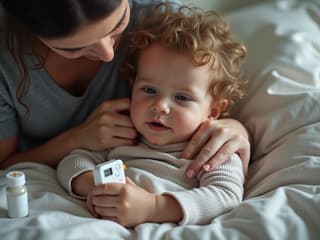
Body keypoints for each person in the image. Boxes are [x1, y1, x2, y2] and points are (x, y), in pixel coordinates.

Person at [0, 0, 250, 179]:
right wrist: (75, 140)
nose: (108, 54)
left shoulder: (162, 26)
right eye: (73, 49)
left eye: (118, 24)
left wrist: (236, 127)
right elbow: (5, 166)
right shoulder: (5, 65)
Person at [57, 3, 247, 227]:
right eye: (149, 90)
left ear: (213, 111)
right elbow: (73, 161)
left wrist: (154, 207)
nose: (160, 106)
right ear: (132, 85)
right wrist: (96, 186)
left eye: (182, 98)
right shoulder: (123, 135)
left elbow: (225, 196)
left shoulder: (209, 151)